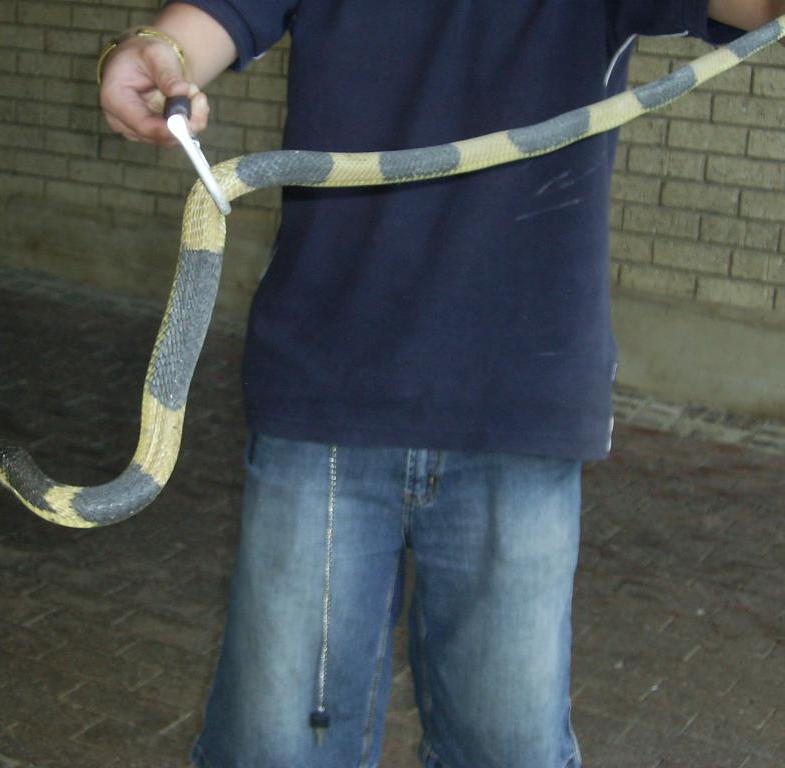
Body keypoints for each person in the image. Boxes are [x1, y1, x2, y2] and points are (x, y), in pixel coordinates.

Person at [99, 3, 782, 767]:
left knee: (507, 751)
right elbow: (207, 24)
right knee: (276, 748)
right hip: (327, 390)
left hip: (519, 404)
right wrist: (155, 54)